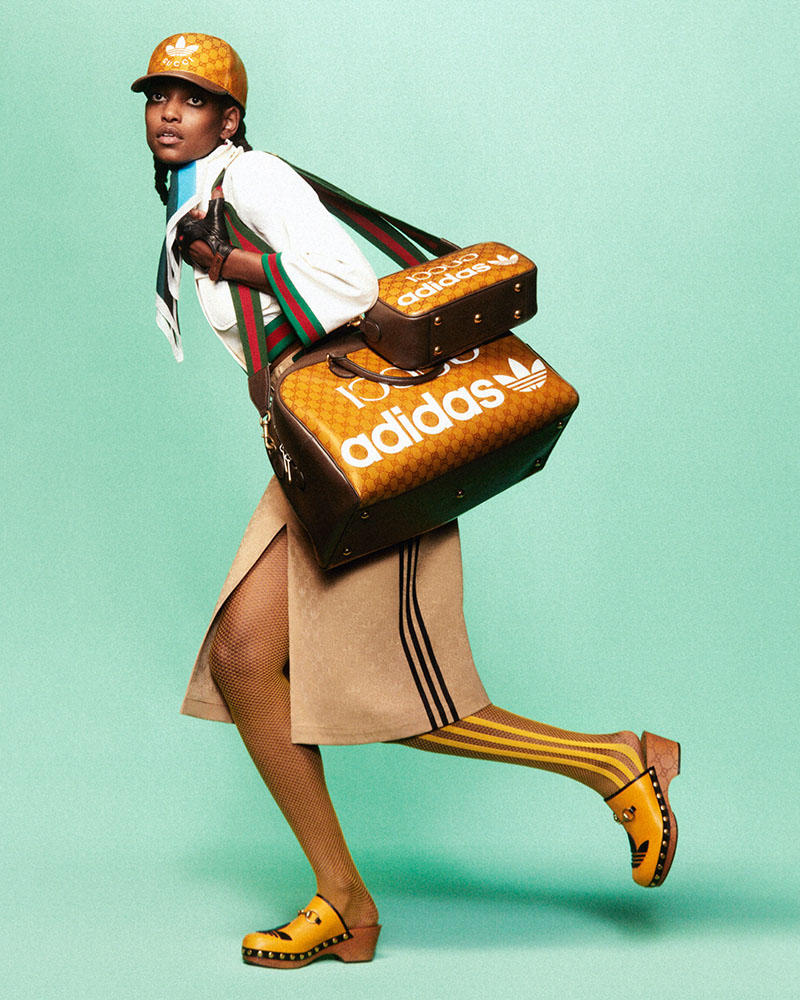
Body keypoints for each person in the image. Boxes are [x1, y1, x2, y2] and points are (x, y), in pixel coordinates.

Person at [132, 33, 681, 970]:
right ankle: (344, 902)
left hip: (364, 443)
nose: (168, 113)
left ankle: (618, 761)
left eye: (191, 99)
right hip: (315, 450)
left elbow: (349, 284)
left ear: (230, 118)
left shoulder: (252, 180)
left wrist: (234, 267)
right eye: (157, 98)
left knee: (405, 702)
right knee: (243, 659)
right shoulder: (197, 198)